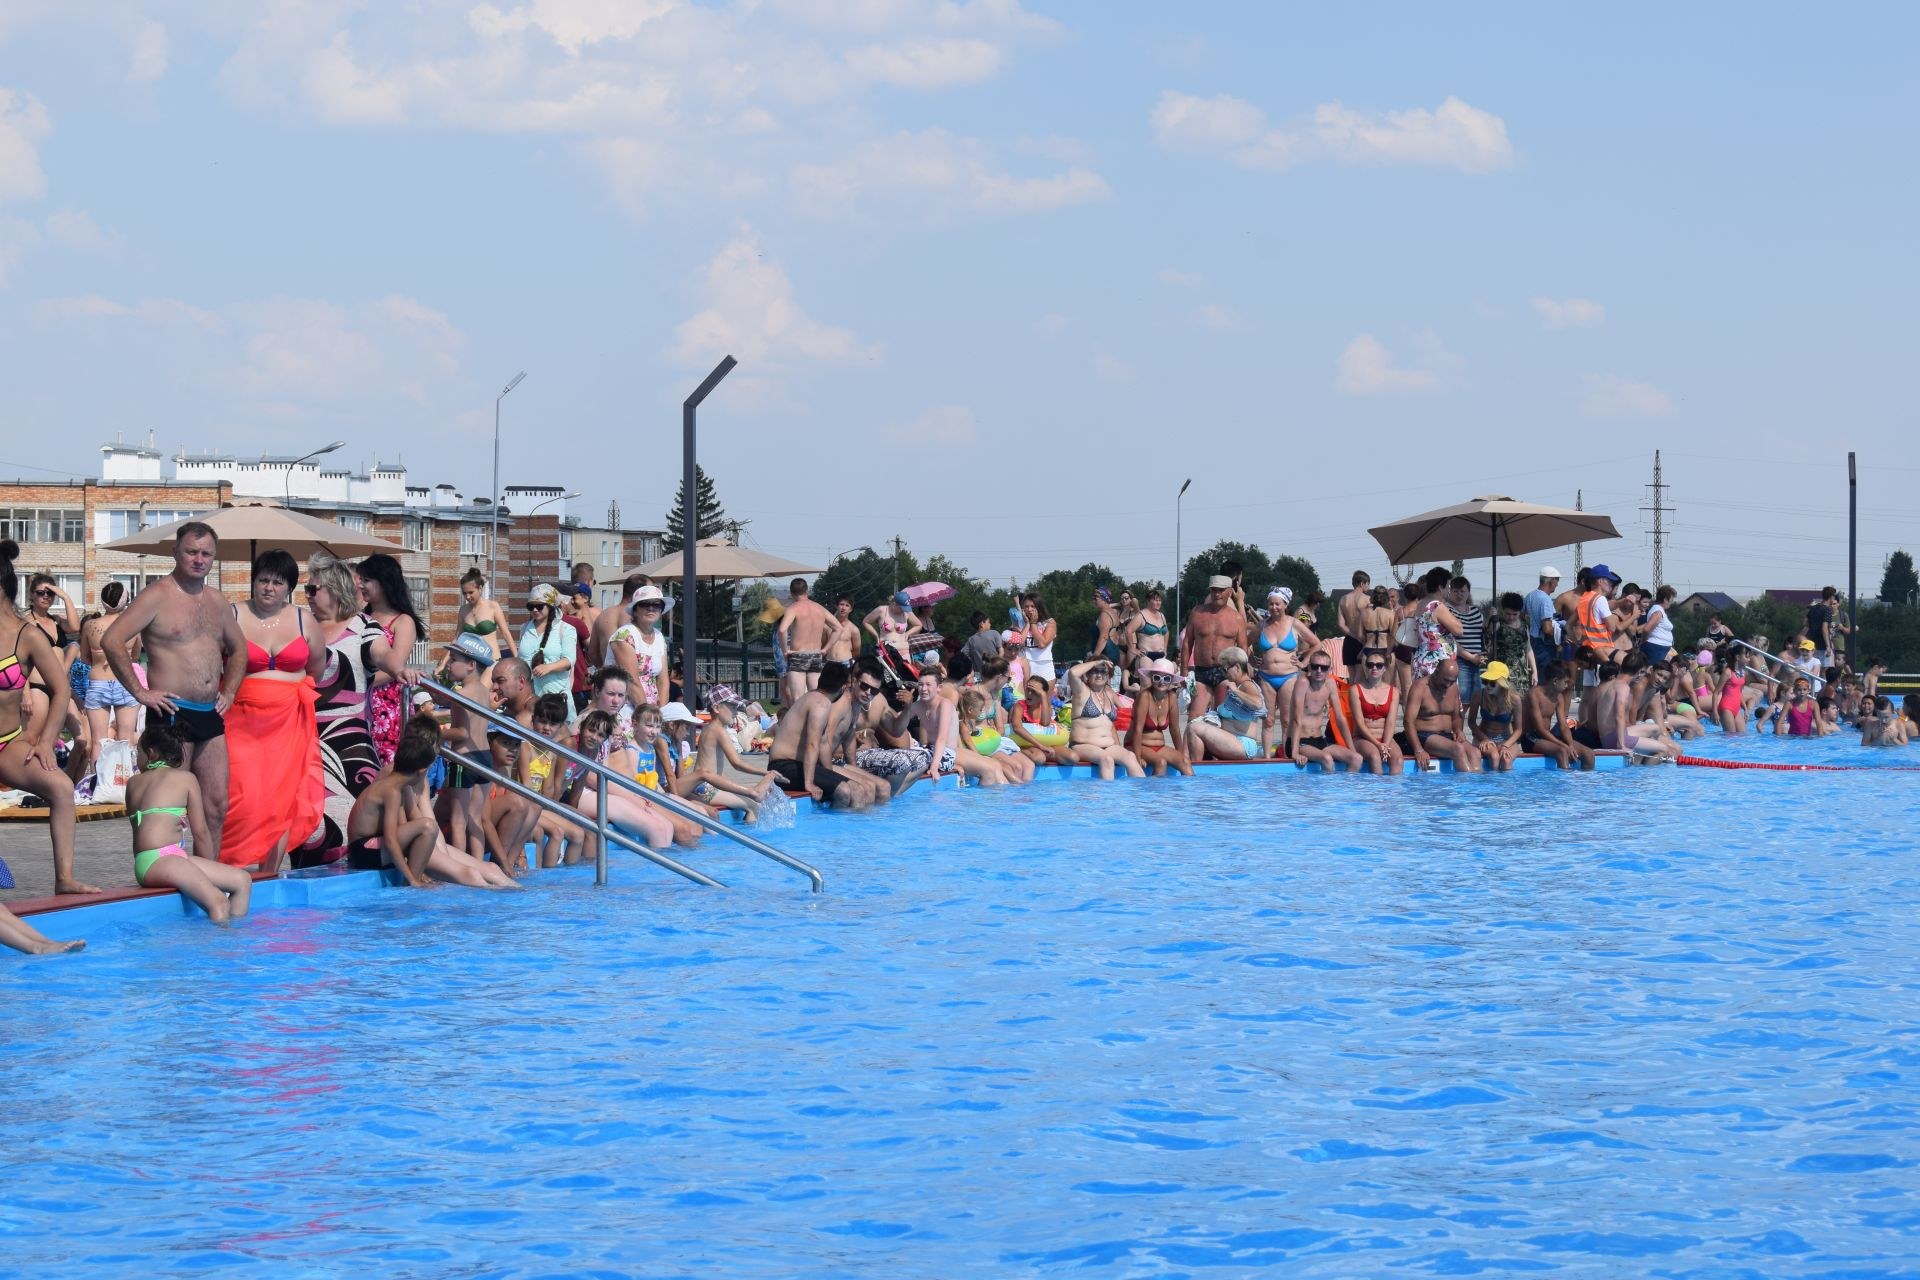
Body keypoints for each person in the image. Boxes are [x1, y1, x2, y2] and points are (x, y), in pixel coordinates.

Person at [103, 522, 247, 863]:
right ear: (175, 553)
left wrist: (230, 690)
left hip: (208, 714)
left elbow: (239, 649)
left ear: (214, 558)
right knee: (164, 807)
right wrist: (140, 691)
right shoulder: (157, 595)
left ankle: (210, 874)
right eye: (191, 552)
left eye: (206, 554)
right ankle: (159, 877)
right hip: (169, 711)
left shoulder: (217, 601)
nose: (199, 559)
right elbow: (111, 640)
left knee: (215, 805)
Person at [220, 549, 327, 873]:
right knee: (240, 793)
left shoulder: (302, 618)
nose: (269, 587)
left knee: (283, 796)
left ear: (289, 587)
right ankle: (228, 864)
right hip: (241, 718)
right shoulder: (233, 614)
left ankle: (270, 870)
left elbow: (317, 669)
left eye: (277, 582)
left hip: (289, 721)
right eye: (263, 580)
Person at [0, 540, 96, 894]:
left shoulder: (27, 636)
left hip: (8, 743)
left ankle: (64, 879)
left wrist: (44, 741)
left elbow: (61, 689)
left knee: (60, 787)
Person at [348, 713, 518, 888]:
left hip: (400, 840)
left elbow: (422, 819)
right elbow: (400, 830)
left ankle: (518, 892)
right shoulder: (397, 778)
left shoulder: (415, 776)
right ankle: (415, 884)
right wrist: (416, 874)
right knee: (469, 874)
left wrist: (441, 853)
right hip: (374, 846)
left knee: (490, 869)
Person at [293, 552, 380, 866]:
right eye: (306, 589)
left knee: (353, 828)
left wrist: (398, 667)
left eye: (313, 589)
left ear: (335, 589)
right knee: (307, 827)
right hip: (304, 740)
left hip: (348, 744)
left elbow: (381, 654)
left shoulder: (362, 627)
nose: (308, 596)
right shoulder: (300, 626)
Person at [125, 719, 254, 922]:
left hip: (152, 861)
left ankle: (231, 936)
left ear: (151, 753)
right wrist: (209, 872)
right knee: (219, 901)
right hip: (161, 861)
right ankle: (225, 949)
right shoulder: (186, 778)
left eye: (137, 753)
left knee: (242, 880)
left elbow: (138, 833)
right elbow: (201, 832)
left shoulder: (133, 784)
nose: (136, 759)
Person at [568, 709, 677, 852]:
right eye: (611, 694)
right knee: (657, 829)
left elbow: (604, 775)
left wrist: (634, 795)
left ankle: (659, 873)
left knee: (667, 827)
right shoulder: (573, 743)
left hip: (599, 791)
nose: (595, 737)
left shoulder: (602, 742)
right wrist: (631, 797)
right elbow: (588, 779)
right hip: (582, 793)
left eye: (620, 695)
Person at [354, 554, 424, 769]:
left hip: (388, 706)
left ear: (383, 582)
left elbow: (396, 667)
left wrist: (356, 683)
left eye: (366, 580)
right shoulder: (359, 618)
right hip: (361, 702)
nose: (361, 585)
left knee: (390, 772)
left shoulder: (403, 621)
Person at [79, 581, 139, 771]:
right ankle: (125, 784)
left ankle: (98, 784)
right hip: (125, 682)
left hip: (98, 682)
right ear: (126, 601)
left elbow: (84, 657)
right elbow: (136, 657)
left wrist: (99, 659)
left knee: (98, 740)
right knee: (127, 738)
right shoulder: (132, 624)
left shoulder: (90, 625)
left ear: (103, 601)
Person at [1182, 575, 1249, 722]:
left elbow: (1243, 650)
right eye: (1214, 590)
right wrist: (1184, 672)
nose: (1217, 594)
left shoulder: (1236, 618)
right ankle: (1189, 745)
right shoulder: (1198, 613)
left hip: (1225, 672)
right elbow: (1187, 643)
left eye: (1221, 590)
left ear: (1229, 592)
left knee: (1223, 717)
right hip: (1201, 670)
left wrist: (1243, 677)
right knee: (1194, 717)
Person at [1184, 646, 1267, 763]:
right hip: (1232, 741)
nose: (1223, 674)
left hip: (1243, 744)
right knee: (1193, 724)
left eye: (1225, 669)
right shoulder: (1238, 684)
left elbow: (1258, 704)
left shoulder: (1246, 685)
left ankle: (1194, 770)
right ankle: (1187, 762)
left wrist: (1236, 691)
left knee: (1194, 728)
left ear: (1237, 667)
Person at [1254, 586, 1318, 736]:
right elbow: (1244, 643)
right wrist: (1251, 660)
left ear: (1285, 605)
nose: (1274, 607)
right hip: (1266, 676)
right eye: (1271, 604)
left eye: (1278, 604)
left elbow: (1317, 644)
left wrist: (1303, 663)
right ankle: (1267, 758)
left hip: (1288, 676)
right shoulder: (1262, 625)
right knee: (1268, 720)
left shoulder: (1294, 623)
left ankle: (1286, 755)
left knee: (1286, 720)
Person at [1286, 653, 1361, 772]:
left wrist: (1351, 748)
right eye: (1315, 667)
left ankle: (1347, 790)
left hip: (1319, 740)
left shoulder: (1330, 684)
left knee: (1356, 758)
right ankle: (1326, 790)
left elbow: (1340, 718)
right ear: (1309, 667)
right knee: (1327, 759)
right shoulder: (1303, 683)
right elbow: (1296, 719)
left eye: (1324, 668)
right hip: (1300, 742)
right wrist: (1294, 752)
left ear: (1330, 670)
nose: (1319, 671)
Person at [1406, 657, 1479, 772]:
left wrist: (1458, 731)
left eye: (1452, 681)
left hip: (1446, 736)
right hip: (1424, 735)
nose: (1448, 684)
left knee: (1475, 752)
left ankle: (1478, 787)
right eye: (1446, 680)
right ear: (1436, 671)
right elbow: (1408, 721)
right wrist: (1418, 750)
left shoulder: (1453, 688)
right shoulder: (1420, 688)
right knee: (1458, 749)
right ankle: (1467, 787)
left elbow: (1455, 717)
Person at [1123, 657, 1192, 776]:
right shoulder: (1144, 696)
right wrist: (1137, 757)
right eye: (1157, 677)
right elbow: (1137, 729)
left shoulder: (1172, 698)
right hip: (1137, 745)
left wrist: (1180, 754)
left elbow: (1175, 729)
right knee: (1161, 762)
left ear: (1171, 681)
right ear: (1151, 678)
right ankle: (1155, 794)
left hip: (1159, 747)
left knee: (1185, 761)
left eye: (1166, 678)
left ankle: (1189, 793)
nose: (1162, 682)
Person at [777, 577, 839, 706]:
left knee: (798, 700)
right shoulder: (819, 608)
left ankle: (800, 725)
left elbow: (782, 630)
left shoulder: (793, 608)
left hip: (798, 655)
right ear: (807, 591)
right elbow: (838, 628)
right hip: (816, 655)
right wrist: (826, 648)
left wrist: (785, 651)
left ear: (792, 593)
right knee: (817, 698)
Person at [1522, 661, 1594, 770]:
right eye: (1565, 682)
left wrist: (1570, 745)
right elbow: (1540, 729)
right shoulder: (1534, 695)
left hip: (1548, 737)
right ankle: (1563, 784)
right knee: (1562, 751)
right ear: (1555, 681)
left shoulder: (1559, 697)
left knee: (1589, 754)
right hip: (1531, 738)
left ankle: (1585, 785)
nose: (1567, 685)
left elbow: (1564, 726)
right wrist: (1564, 746)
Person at [609, 584, 671, 706]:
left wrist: (662, 712)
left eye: (656, 605)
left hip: (651, 712)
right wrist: (647, 715)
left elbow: (663, 680)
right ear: (635, 610)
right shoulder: (624, 635)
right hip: (622, 706)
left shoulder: (659, 637)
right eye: (645, 604)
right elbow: (631, 681)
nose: (651, 608)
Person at [517, 584, 578, 707]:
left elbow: (569, 660)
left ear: (550, 606)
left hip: (556, 698)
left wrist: (548, 667)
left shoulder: (566, 629)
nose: (534, 610)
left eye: (539, 606)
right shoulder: (524, 628)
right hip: (529, 697)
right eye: (531, 606)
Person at [1347, 650, 1402, 776]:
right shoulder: (1355, 690)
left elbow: (1391, 722)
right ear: (1365, 667)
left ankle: (1393, 793)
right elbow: (1359, 723)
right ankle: (1377, 794)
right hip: (1362, 738)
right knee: (1374, 756)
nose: (1374, 668)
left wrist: (1386, 745)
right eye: (1370, 665)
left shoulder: (1393, 691)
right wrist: (1378, 745)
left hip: (1385, 739)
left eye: (1379, 665)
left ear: (1385, 668)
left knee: (1398, 760)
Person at [1011, 674, 1076, 767]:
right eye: (1028, 690)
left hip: (1046, 743)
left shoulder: (1045, 706)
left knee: (1072, 758)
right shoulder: (1020, 706)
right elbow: (1017, 728)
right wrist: (1040, 746)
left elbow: (1045, 724)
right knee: (1039, 759)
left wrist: (1043, 696)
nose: (1029, 694)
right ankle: (1020, 751)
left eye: (1034, 691)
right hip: (1027, 744)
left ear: (1042, 694)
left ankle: (1046, 754)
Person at [1466, 662, 1519, 772]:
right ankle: (1490, 787)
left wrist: (1506, 745)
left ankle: (1506, 788)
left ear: (1502, 683)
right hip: (1483, 736)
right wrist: (1484, 738)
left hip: (1505, 738)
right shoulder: (1479, 695)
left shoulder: (1514, 699)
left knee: (1506, 760)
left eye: (1493, 683)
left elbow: (1519, 729)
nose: (1488, 686)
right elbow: (1471, 722)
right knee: (1494, 756)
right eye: (1485, 682)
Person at [455, 568, 512, 660]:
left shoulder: (493, 606)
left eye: (471, 592)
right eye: (464, 593)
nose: (467, 597)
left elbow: (506, 634)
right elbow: (457, 638)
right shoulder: (463, 610)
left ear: (480, 588)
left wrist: (518, 659)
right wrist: (443, 664)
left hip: (492, 660)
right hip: (472, 663)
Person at [1448, 576, 1487, 702]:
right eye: (1455, 591)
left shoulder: (1476, 610)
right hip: (1460, 660)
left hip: (1479, 660)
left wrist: (1492, 620)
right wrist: (1470, 657)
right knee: (1462, 700)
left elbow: (1484, 633)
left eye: (1462, 591)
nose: (1459, 595)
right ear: (1450, 592)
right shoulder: (1447, 610)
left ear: (1468, 592)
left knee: (1479, 698)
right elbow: (1449, 639)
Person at [863, 590, 922, 665]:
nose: (903, 610)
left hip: (903, 649)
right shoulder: (882, 610)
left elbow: (918, 624)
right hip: (886, 650)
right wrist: (876, 636)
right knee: (886, 675)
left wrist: (907, 633)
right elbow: (866, 621)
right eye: (901, 608)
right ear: (894, 604)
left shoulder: (906, 612)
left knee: (905, 674)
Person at [562, 582, 595, 712]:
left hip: (583, 674)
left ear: (585, 598)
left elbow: (594, 646)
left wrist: (588, 664)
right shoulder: (574, 619)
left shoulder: (594, 614)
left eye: (574, 597)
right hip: (579, 674)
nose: (572, 602)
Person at [1524, 566, 1561, 680]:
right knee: (1546, 678)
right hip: (1544, 644)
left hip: (1532, 640)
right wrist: (1559, 642)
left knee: (1536, 675)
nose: (1557, 585)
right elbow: (1547, 628)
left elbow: (1521, 616)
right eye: (1557, 581)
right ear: (1551, 581)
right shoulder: (1546, 599)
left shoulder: (1530, 595)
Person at [1124, 589, 1173, 671]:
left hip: (1161, 655)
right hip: (1146, 655)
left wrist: (1165, 649)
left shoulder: (1161, 615)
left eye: (1159, 600)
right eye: (1155, 600)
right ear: (1148, 601)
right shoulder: (1141, 615)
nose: (1158, 603)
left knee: (1161, 682)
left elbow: (1166, 632)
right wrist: (1132, 649)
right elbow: (1128, 631)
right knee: (1147, 683)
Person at [1015, 594, 1057, 685]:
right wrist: (1027, 624)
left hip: (1043, 667)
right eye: (1026, 606)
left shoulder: (1049, 622)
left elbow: (1042, 644)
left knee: (1044, 699)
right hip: (1024, 667)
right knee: (1025, 699)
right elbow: (1018, 645)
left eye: (1032, 606)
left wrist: (1033, 623)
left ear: (1039, 607)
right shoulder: (1019, 623)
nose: (1029, 609)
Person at [1336, 571, 1372, 672]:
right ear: (1362, 583)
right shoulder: (1368, 600)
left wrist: (1354, 636)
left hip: (1349, 640)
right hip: (1364, 640)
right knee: (1362, 678)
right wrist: (1361, 638)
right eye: (1368, 584)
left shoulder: (1343, 599)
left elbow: (1340, 624)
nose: (1368, 587)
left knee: (1352, 678)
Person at [1806, 585, 1845, 672]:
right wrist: (1828, 646)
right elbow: (1824, 628)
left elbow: (1806, 623)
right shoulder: (1827, 610)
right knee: (1824, 671)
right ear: (1831, 597)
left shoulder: (1813, 608)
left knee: (1812, 669)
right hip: (1822, 645)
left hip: (1811, 643)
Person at [824, 596, 862, 673]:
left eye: (847, 605)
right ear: (836, 606)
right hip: (829, 663)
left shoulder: (853, 629)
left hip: (846, 664)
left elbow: (857, 652)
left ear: (850, 609)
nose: (843, 608)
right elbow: (823, 645)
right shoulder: (826, 626)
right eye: (841, 604)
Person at [1642, 585, 1676, 663]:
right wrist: (1645, 640)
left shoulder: (1659, 610)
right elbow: (1646, 629)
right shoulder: (1658, 612)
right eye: (1671, 599)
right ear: (1665, 599)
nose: (1672, 602)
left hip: (1659, 647)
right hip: (1656, 647)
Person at [1089, 587, 1123, 665]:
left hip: (1105, 654)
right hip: (1113, 651)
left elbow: (1104, 637)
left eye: (1096, 598)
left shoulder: (1105, 615)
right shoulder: (1113, 612)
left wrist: (1094, 657)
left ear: (1104, 599)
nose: (1093, 600)